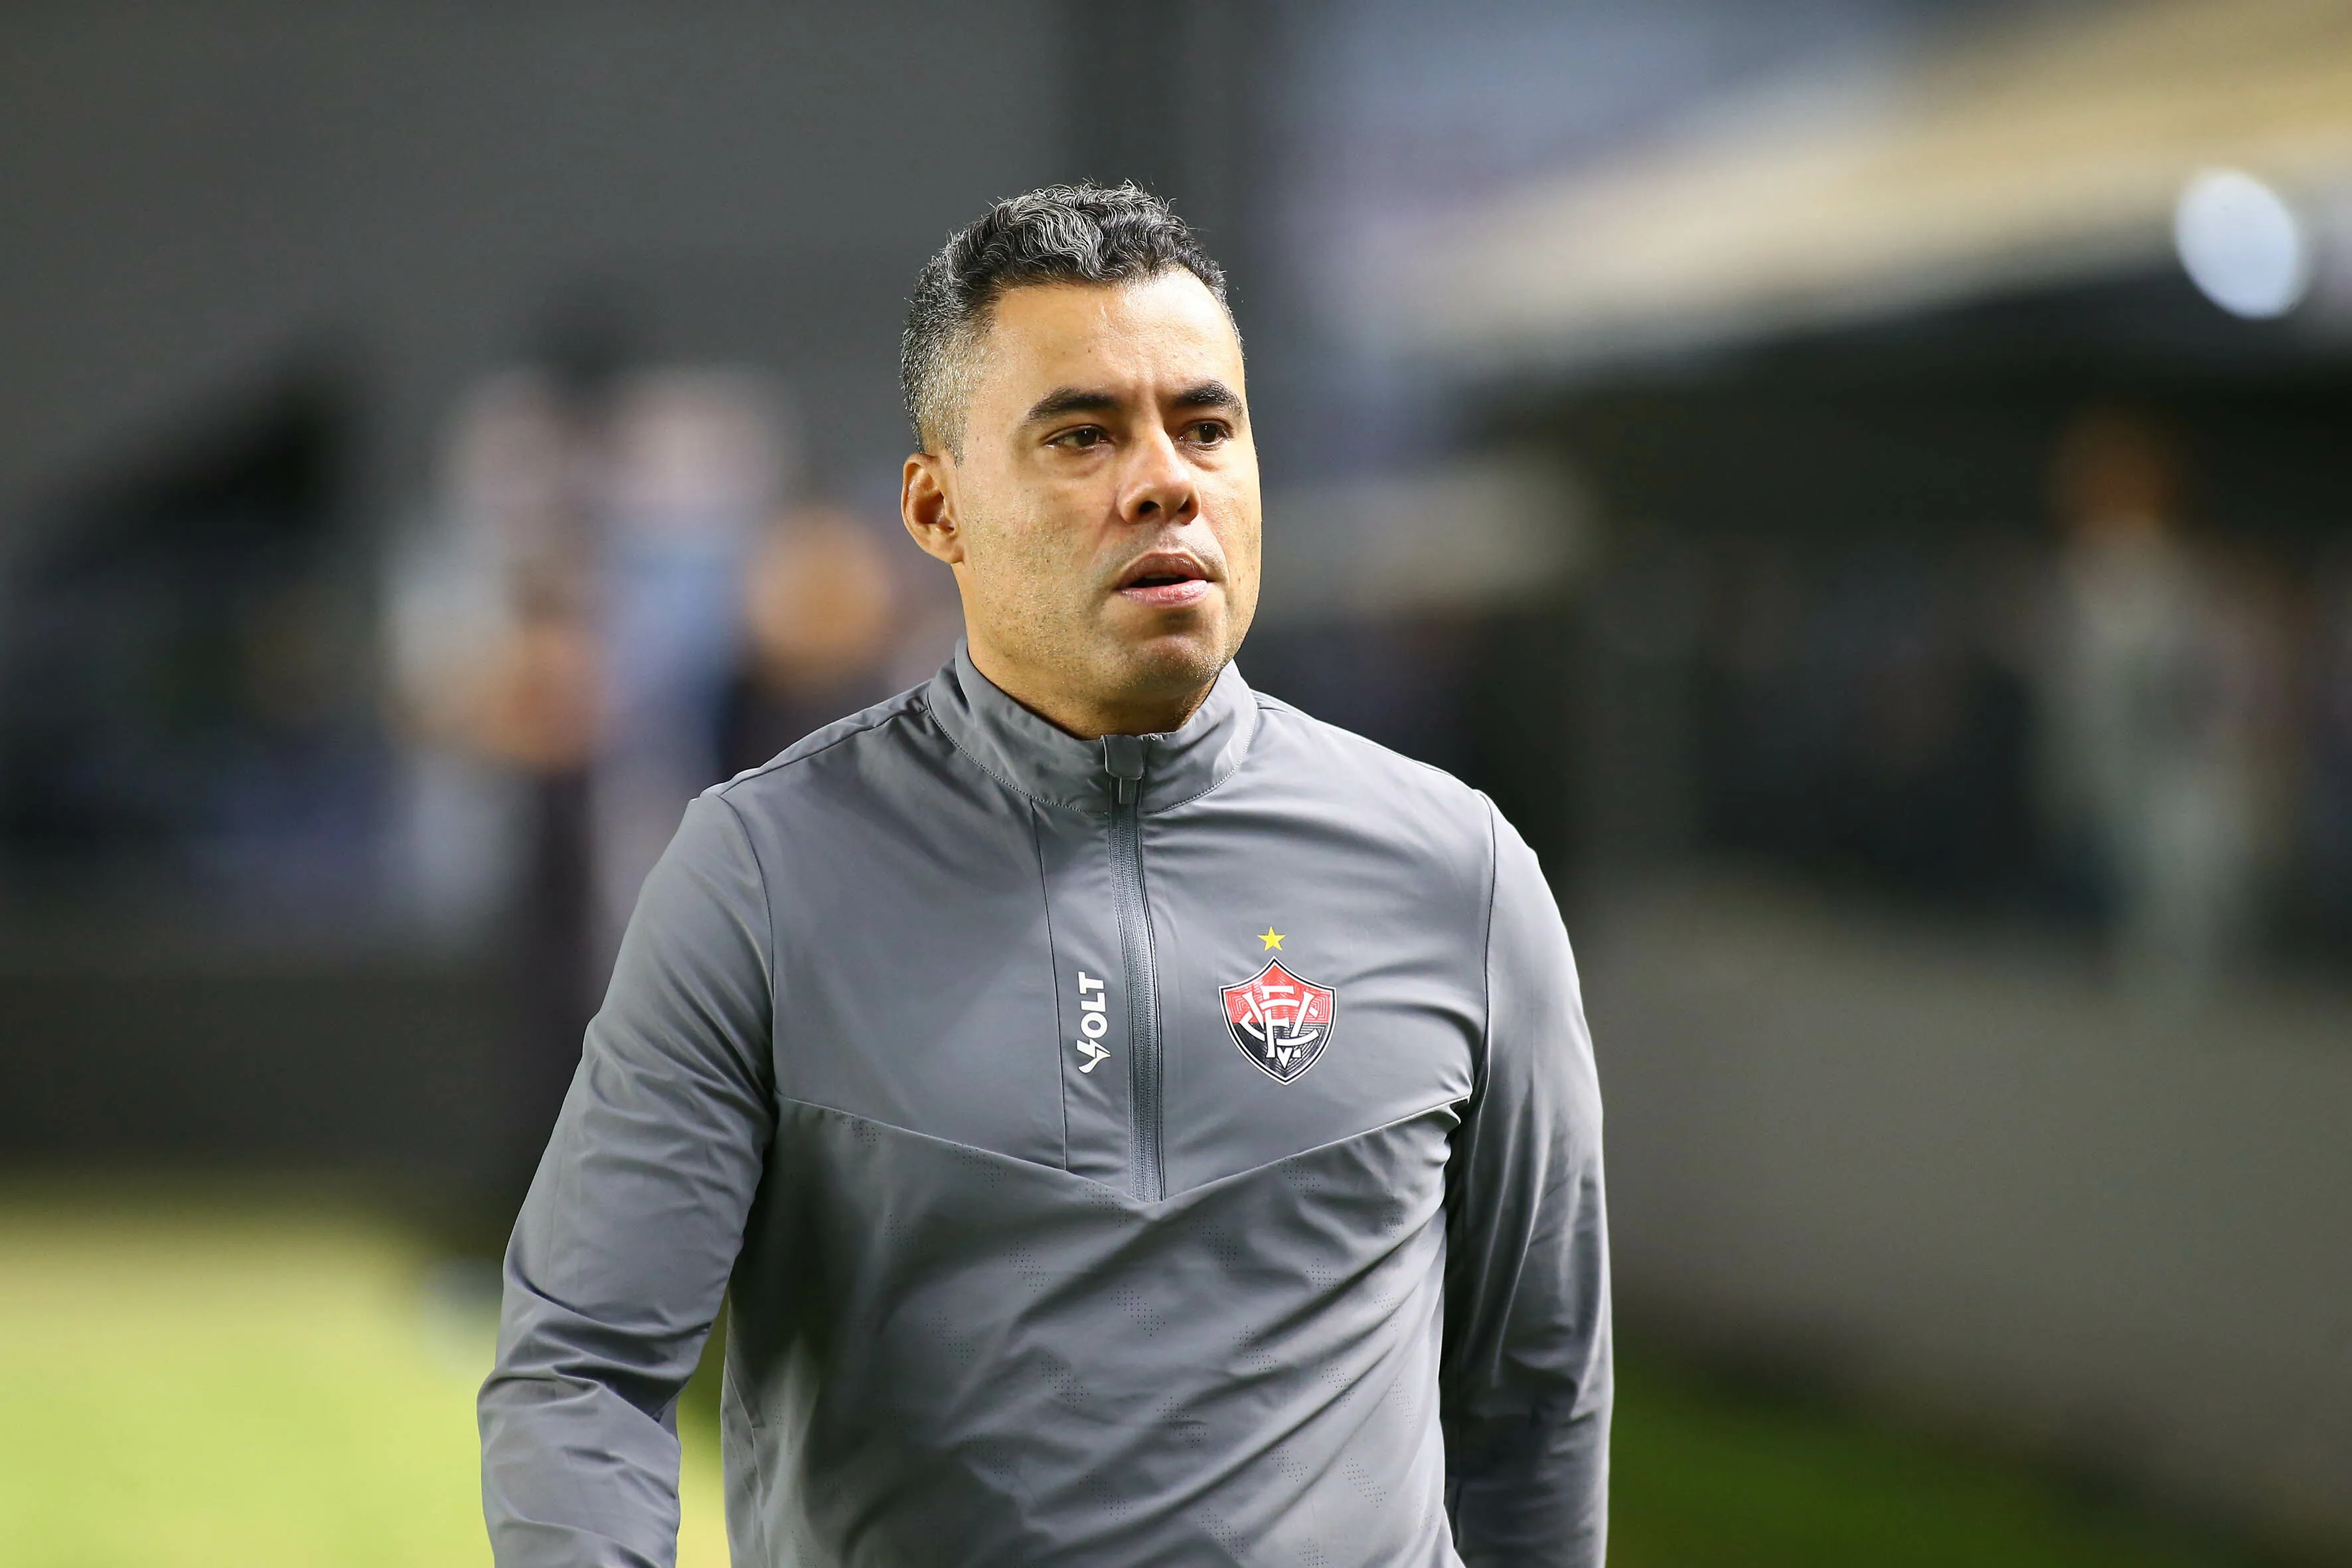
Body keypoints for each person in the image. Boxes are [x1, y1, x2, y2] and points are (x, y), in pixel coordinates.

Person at [480, 183, 1610, 1567]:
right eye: (1082, 433)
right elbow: (583, 1364)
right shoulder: (764, 874)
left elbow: (1534, 1405)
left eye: (1206, 425)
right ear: (936, 506)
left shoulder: (1459, 874)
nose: (1164, 477)